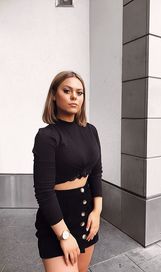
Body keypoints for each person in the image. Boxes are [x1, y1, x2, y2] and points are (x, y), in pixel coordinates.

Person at [32, 71, 103, 272]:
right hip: (57, 220)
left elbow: (96, 173)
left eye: (79, 93)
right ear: (54, 95)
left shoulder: (91, 130)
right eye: (67, 91)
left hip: (87, 217)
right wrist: (63, 235)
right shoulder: (47, 136)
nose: (74, 97)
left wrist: (97, 212)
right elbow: (43, 192)